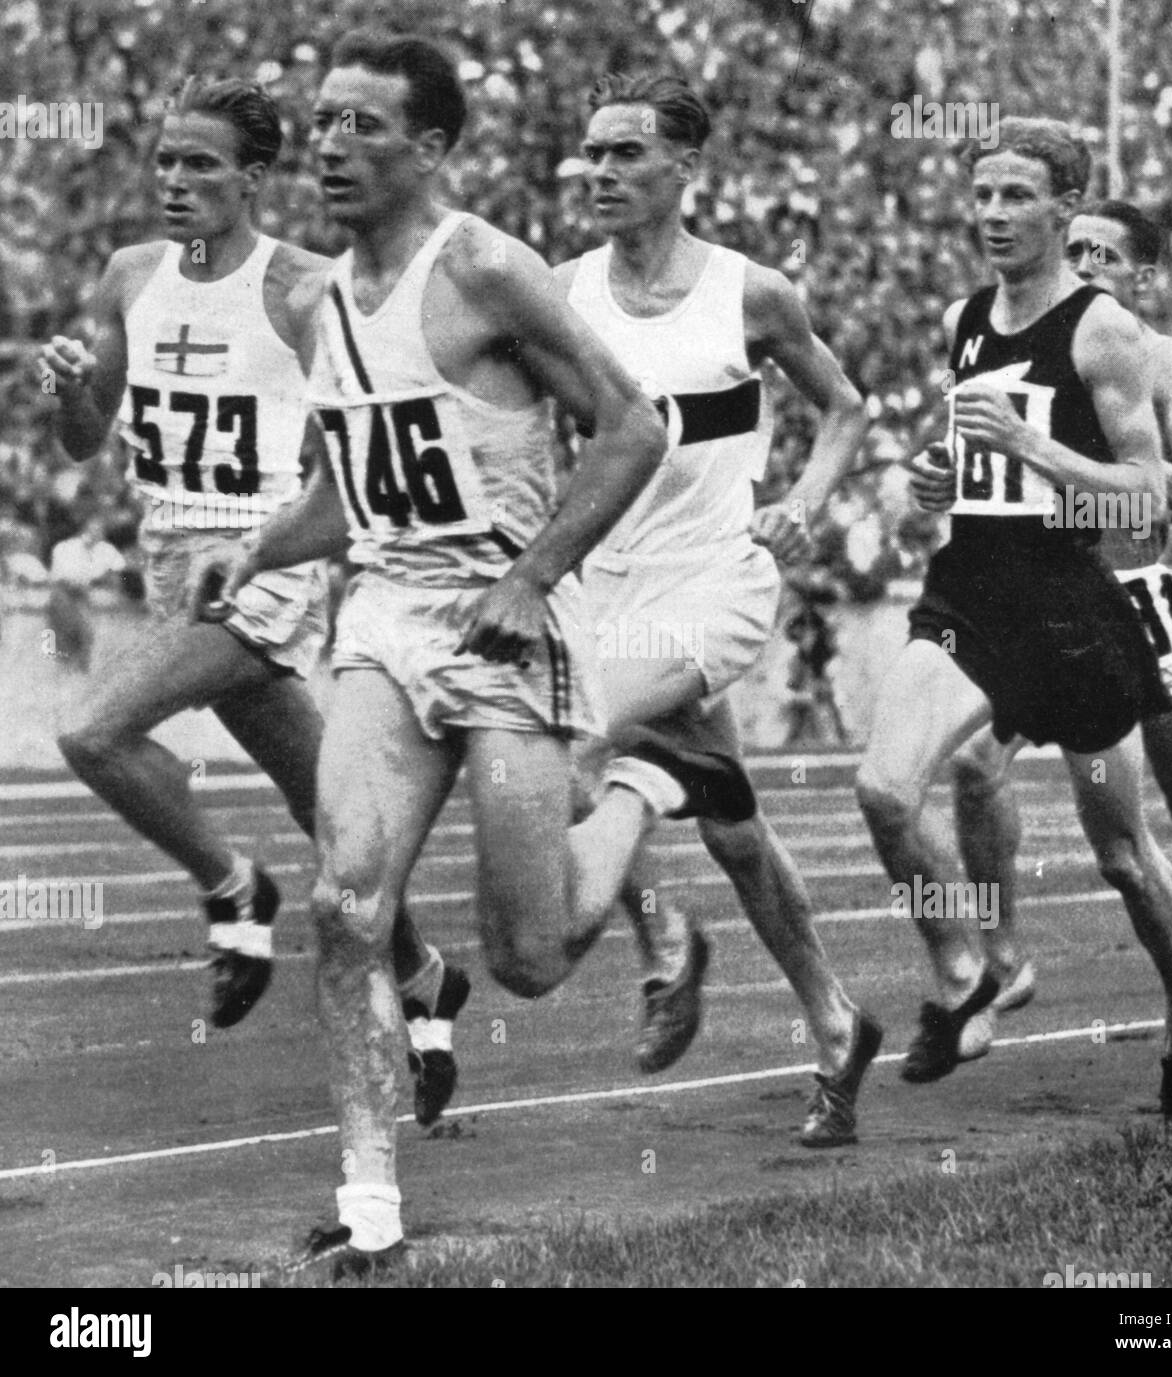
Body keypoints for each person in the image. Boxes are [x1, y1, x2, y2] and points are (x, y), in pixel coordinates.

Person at [205, 31, 745, 1278]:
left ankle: (640, 794)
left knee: (530, 959)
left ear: (434, 147)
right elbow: (354, 495)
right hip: (389, 619)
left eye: (364, 127)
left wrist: (530, 574)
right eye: (324, 123)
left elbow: (631, 427)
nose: (332, 147)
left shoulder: (488, 271)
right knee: (347, 904)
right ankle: (371, 1203)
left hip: (505, 627)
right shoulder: (311, 298)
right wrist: (259, 549)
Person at [38, 77, 467, 1124]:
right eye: (166, 162)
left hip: (269, 566)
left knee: (93, 732)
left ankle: (236, 892)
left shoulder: (303, 290)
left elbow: (363, 443)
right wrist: (69, 390)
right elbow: (86, 439)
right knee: (330, 810)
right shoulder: (130, 274)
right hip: (175, 560)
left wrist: (328, 550)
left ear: (255, 179)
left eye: (202, 165)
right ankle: (424, 981)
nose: (176, 182)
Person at [858, 118, 1172, 1116]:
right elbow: (979, 457)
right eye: (982, 196)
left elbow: (1143, 493)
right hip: (974, 584)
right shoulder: (968, 316)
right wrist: (941, 474)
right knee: (886, 788)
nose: (994, 215)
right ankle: (976, 967)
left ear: (1064, 207)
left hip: (1068, 603)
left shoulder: (1103, 329)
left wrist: (1030, 446)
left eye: (1016, 196)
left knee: (1122, 855)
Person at [557, 72, 879, 1148]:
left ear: (684, 169)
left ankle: (661, 943)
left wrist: (804, 499)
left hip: (719, 578)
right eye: (590, 153)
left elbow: (843, 407)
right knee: (737, 830)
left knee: (577, 739)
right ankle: (835, 1025)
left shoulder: (752, 294)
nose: (597, 172)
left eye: (623, 154)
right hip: (604, 588)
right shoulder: (558, 298)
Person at [940, 202, 1172, 1063]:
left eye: (1107, 253)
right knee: (977, 764)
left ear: (1143, 278)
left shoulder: (1161, 362)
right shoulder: (1022, 337)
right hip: (1041, 596)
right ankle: (1002, 957)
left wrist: (1099, 448)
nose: (1086, 262)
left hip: (1134, 597)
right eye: (1079, 246)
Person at [47, 514, 126, 671]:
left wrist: (105, 578)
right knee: (67, 638)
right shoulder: (65, 548)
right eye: (92, 528)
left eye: (99, 529)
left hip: (89, 598)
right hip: (64, 596)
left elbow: (121, 571)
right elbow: (60, 577)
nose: (95, 532)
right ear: (82, 529)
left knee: (87, 636)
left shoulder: (107, 549)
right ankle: (67, 669)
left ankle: (82, 670)